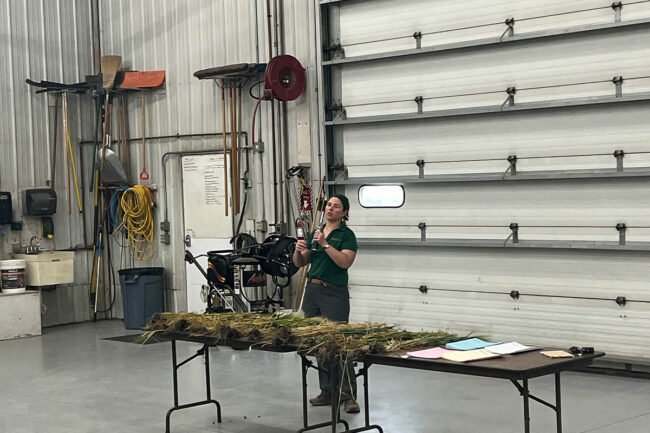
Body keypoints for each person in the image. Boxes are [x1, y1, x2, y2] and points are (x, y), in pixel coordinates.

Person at [292, 193, 360, 414]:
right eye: (329, 205)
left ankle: (349, 396)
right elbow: (301, 262)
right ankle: (328, 391)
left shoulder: (346, 235)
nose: (330, 209)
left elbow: (344, 262)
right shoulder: (316, 232)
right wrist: (299, 250)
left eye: (336, 206)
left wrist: (325, 244)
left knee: (340, 343)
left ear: (345, 213)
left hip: (334, 292)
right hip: (313, 290)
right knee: (320, 344)